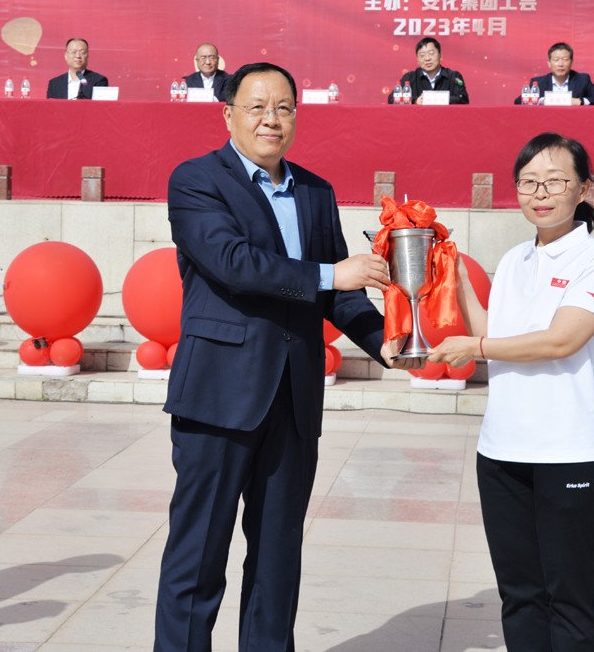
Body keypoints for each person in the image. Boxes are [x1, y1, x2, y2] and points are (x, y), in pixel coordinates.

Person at [154, 61, 422, 651]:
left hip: (294, 400)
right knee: (197, 557)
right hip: (219, 397)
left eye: (283, 108)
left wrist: (388, 343)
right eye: (257, 107)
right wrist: (332, 273)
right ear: (228, 114)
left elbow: (340, 295)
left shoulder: (315, 192)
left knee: (277, 559)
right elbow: (233, 263)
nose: (271, 120)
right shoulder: (197, 181)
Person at [428, 132, 594, 651]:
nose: (541, 193)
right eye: (528, 181)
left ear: (583, 189)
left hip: (569, 455)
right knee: (519, 597)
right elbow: (497, 333)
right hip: (501, 455)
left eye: (555, 181)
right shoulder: (516, 259)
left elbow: (561, 341)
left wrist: (476, 346)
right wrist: (456, 277)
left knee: (571, 600)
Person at [514, 43, 594, 105]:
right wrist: (541, 100)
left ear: (571, 62)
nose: (560, 64)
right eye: (556, 60)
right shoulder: (539, 83)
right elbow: (518, 102)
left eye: (565, 59)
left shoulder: (582, 80)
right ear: (549, 63)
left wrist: (580, 101)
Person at [387, 37, 469, 104]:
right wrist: (415, 101)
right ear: (417, 60)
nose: (427, 58)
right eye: (422, 55)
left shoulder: (454, 76)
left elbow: (463, 99)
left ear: (441, 56)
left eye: (431, 53)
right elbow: (391, 99)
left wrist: (435, 99)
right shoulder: (410, 77)